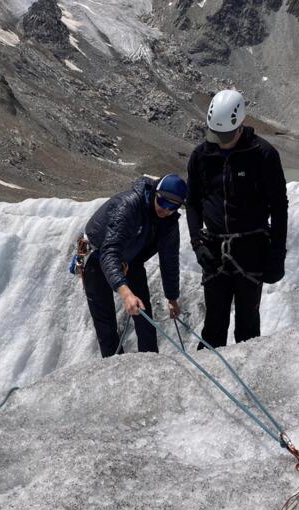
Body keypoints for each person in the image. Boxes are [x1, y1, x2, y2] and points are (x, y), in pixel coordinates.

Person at [185, 89, 288, 349]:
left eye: (226, 136)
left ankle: (245, 380)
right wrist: (197, 242)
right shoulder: (201, 156)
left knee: (248, 325)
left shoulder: (263, 155)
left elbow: (278, 207)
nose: (220, 141)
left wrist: (276, 255)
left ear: (240, 126)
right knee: (213, 325)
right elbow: (193, 202)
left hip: (251, 250)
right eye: (215, 134)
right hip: (215, 251)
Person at [82, 174, 187, 357]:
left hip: (132, 260)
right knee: (106, 323)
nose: (165, 209)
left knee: (145, 318)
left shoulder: (169, 223)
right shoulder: (130, 206)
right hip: (98, 257)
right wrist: (125, 293)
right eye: (162, 201)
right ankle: (115, 368)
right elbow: (110, 251)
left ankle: (150, 365)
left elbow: (169, 260)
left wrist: (172, 298)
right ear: (155, 193)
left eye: (173, 206)